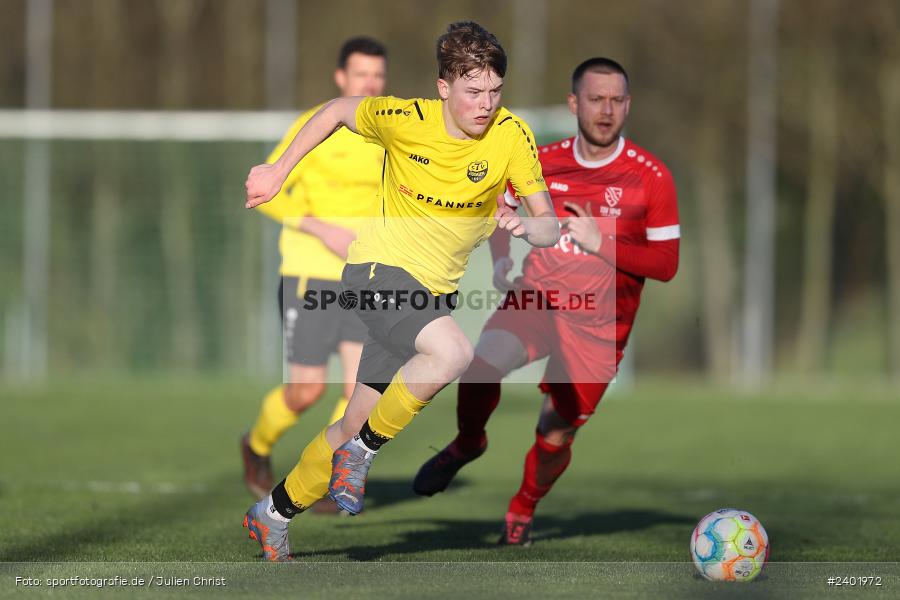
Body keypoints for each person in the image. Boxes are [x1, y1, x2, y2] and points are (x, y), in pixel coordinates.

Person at [241, 21, 560, 562]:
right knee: (454, 353)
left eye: (494, 91)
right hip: (376, 273)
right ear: (443, 88)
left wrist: (532, 227)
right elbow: (338, 112)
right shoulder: (404, 118)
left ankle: (271, 513)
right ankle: (362, 456)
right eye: (472, 91)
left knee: (349, 421)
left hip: (431, 296)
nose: (485, 104)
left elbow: (547, 223)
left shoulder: (512, 135)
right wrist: (278, 168)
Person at [412, 57, 681, 546]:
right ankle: (469, 443)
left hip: (601, 327)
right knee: (480, 367)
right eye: (595, 99)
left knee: (556, 431)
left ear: (628, 105)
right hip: (537, 299)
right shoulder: (541, 159)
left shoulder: (652, 177)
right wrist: (500, 263)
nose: (606, 110)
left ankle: (523, 507)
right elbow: (500, 207)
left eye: (616, 100)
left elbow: (666, 264)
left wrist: (603, 244)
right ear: (574, 103)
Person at [240, 38, 388, 510]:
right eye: (361, 74)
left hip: (362, 279)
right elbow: (270, 188)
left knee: (357, 394)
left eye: (378, 75)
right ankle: (256, 445)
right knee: (304, 391)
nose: (371, 84)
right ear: (341, 78)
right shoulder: (316, 126)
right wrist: (318, 227)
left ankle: (316, 478)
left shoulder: (389, 133)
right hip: (309, 275)